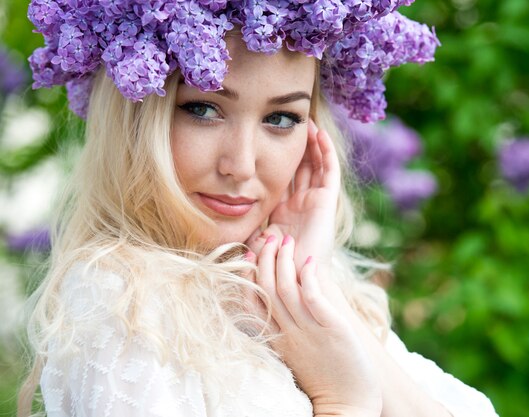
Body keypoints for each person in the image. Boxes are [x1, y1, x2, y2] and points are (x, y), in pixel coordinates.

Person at [20, 1, 499, 416]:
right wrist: (342, 403)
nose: (241, 164)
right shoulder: (120, 302)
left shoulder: (319, 294)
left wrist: (307, 280)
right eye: (203, 109)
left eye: (280, 118)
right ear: (135, 116)